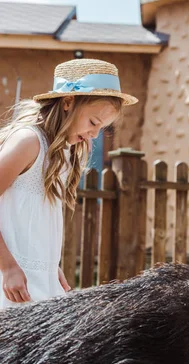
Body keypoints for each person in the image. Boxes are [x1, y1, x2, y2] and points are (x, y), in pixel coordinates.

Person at [0, 59, 138, 308]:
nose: (95, 135)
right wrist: (8, 267)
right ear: (67, 102)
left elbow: (34, 221)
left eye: (103, 128)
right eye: (93, 122)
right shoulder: (28, 141)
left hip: (37, 279)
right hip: (10, 279)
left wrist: (50, 266)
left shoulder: (64, 152)